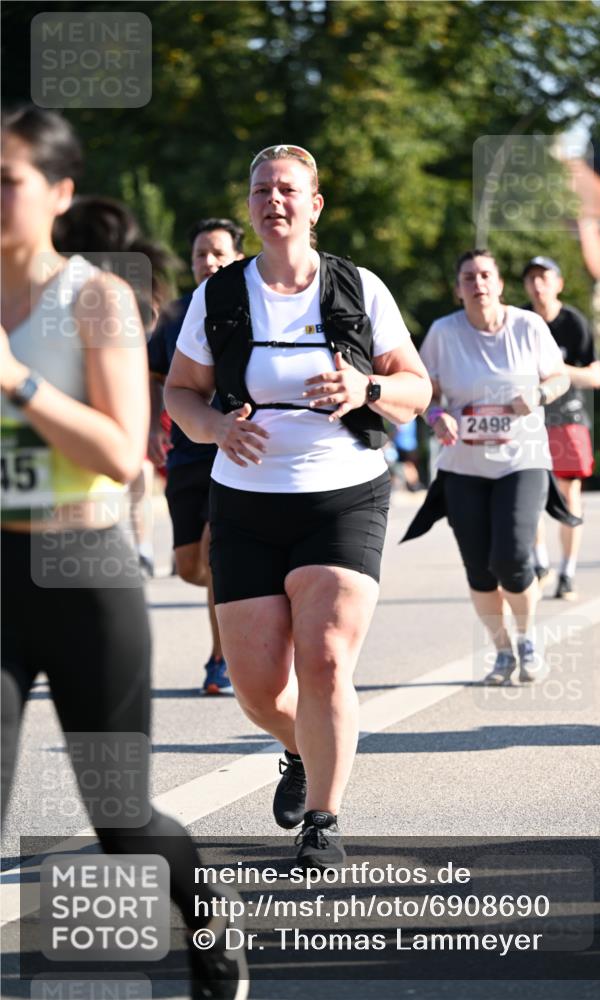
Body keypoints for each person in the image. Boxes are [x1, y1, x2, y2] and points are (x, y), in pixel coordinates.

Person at [0, 104, 247, 1000]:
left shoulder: (94, 298)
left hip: (83, 576)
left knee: (120, 821)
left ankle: (206, 913)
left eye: (6, 179)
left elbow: (116, 444)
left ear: (59, 193)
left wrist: (15, 378)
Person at [164, 143, 431, 869]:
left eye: (286, 189)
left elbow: (417, 387)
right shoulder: (217, 296)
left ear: (314, 205)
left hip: (342, 493)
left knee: (322, 660)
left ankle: (323, 818)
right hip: (246, 501)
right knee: (256, 690)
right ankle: (296, 746)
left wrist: (365, 390)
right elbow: (179, 393)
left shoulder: (357, 288)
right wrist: (216, 427)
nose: (272, 200)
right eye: (260, 190)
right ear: (249, 205)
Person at [404, 249, 574, 686]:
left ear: (499, 284)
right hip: (463, 467)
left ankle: (528, 639)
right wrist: (436, 416)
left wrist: (537, 396)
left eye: (485, 275)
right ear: (458, 289)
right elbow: (425, 393)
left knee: (512, 558)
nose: (477, 283)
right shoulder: (443, 333)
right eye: (467, 277)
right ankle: (501, 652)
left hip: (522, 460)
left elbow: (560, 378)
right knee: (479, 567)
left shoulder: (528, 326)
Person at [54, 193, 180, 579]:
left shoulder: (110, 302)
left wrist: (23, 387)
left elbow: (121, 458)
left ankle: (142, 549)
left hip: (83, 541)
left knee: (138, 476)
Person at [148, 218, 245, 694]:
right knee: (190, 566)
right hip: (186, 453)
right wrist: (150, 427)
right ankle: (253, 594)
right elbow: (152, 375)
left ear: (237, 256)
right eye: (201, 254)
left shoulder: (250, 307)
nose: (209, 262)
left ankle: (221, 660)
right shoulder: (173, 315)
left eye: (219, 253)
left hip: (234, 451)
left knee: (216, 553)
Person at [522, 256, 600, 601]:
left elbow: (597, 377)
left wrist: (556, 370)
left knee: (569, 493)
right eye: (531, 279)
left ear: (558, 283)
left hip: (568, 419)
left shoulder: (574, 323)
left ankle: (567, 571)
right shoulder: (520, 321)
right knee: (532, 492)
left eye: (544, 277)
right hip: (529, 419)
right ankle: (540, 565)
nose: (538, 284)